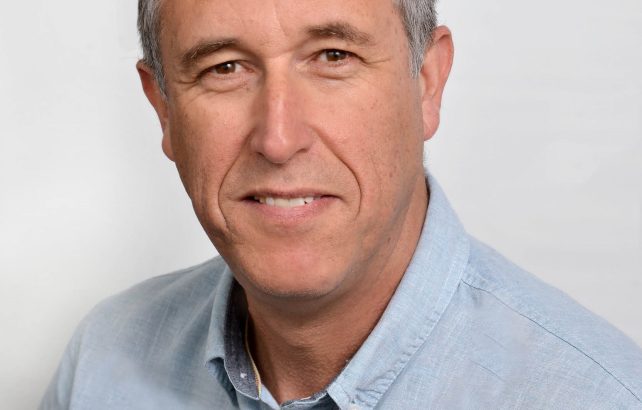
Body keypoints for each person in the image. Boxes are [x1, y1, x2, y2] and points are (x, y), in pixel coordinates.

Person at [40, 0, 642, 408]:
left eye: (333, 56)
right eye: (224, 68)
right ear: (164, 111)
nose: (278, 138)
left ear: (427, 83)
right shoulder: (102, 363)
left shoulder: (599, 396)